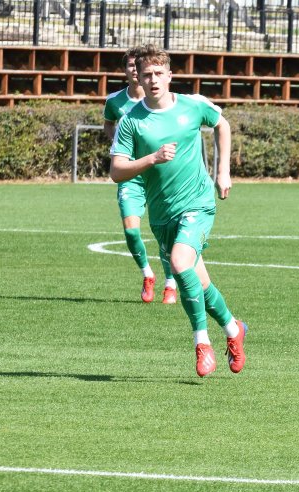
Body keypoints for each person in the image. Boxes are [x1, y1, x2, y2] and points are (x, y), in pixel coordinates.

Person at [110, 44, 247, 378]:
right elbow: (116, 170)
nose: (153, 80)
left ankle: (202, 343)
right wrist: (151, 159)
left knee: (179, 263)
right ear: (139, 78)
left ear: (170, 75)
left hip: (198, 204)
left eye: (159, 73)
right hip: (162, 214)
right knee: (199, 284)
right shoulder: (131, 122)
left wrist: (223, 172)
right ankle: (233, 329)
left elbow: (222, 124)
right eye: (147, 74)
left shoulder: (192, 106)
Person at [102, 46, 176, 305]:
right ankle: (147, 274)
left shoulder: (162, 100)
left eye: (138, 65)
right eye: (131, 66)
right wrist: (119, 147)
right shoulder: (114, 101)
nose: (135, 70)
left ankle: (170, 283)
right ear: (125, 71)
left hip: (158, 174)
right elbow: (108, 124)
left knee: (164, 233)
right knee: (131, 231)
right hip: (132, 174)